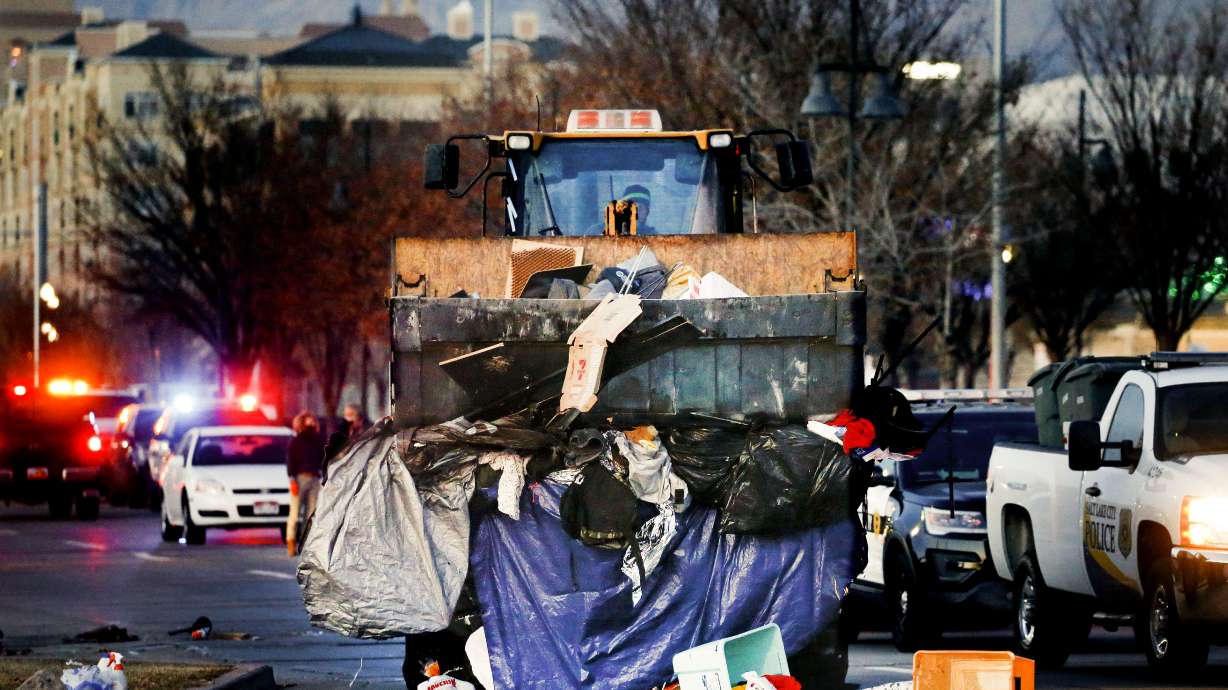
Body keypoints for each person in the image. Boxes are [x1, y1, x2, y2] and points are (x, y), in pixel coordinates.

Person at [286, 411, 324, 556]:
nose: (311, 423)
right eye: (307, 421)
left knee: (310, 514)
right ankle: (291, 541)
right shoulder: (296, 441)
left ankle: (306, 543)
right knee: (295, 513)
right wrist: (292, 480)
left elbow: (323, 458)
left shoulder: (318, 440)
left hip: (315, 478)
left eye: (312, 421)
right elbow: (290, 462)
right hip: (300, 478)